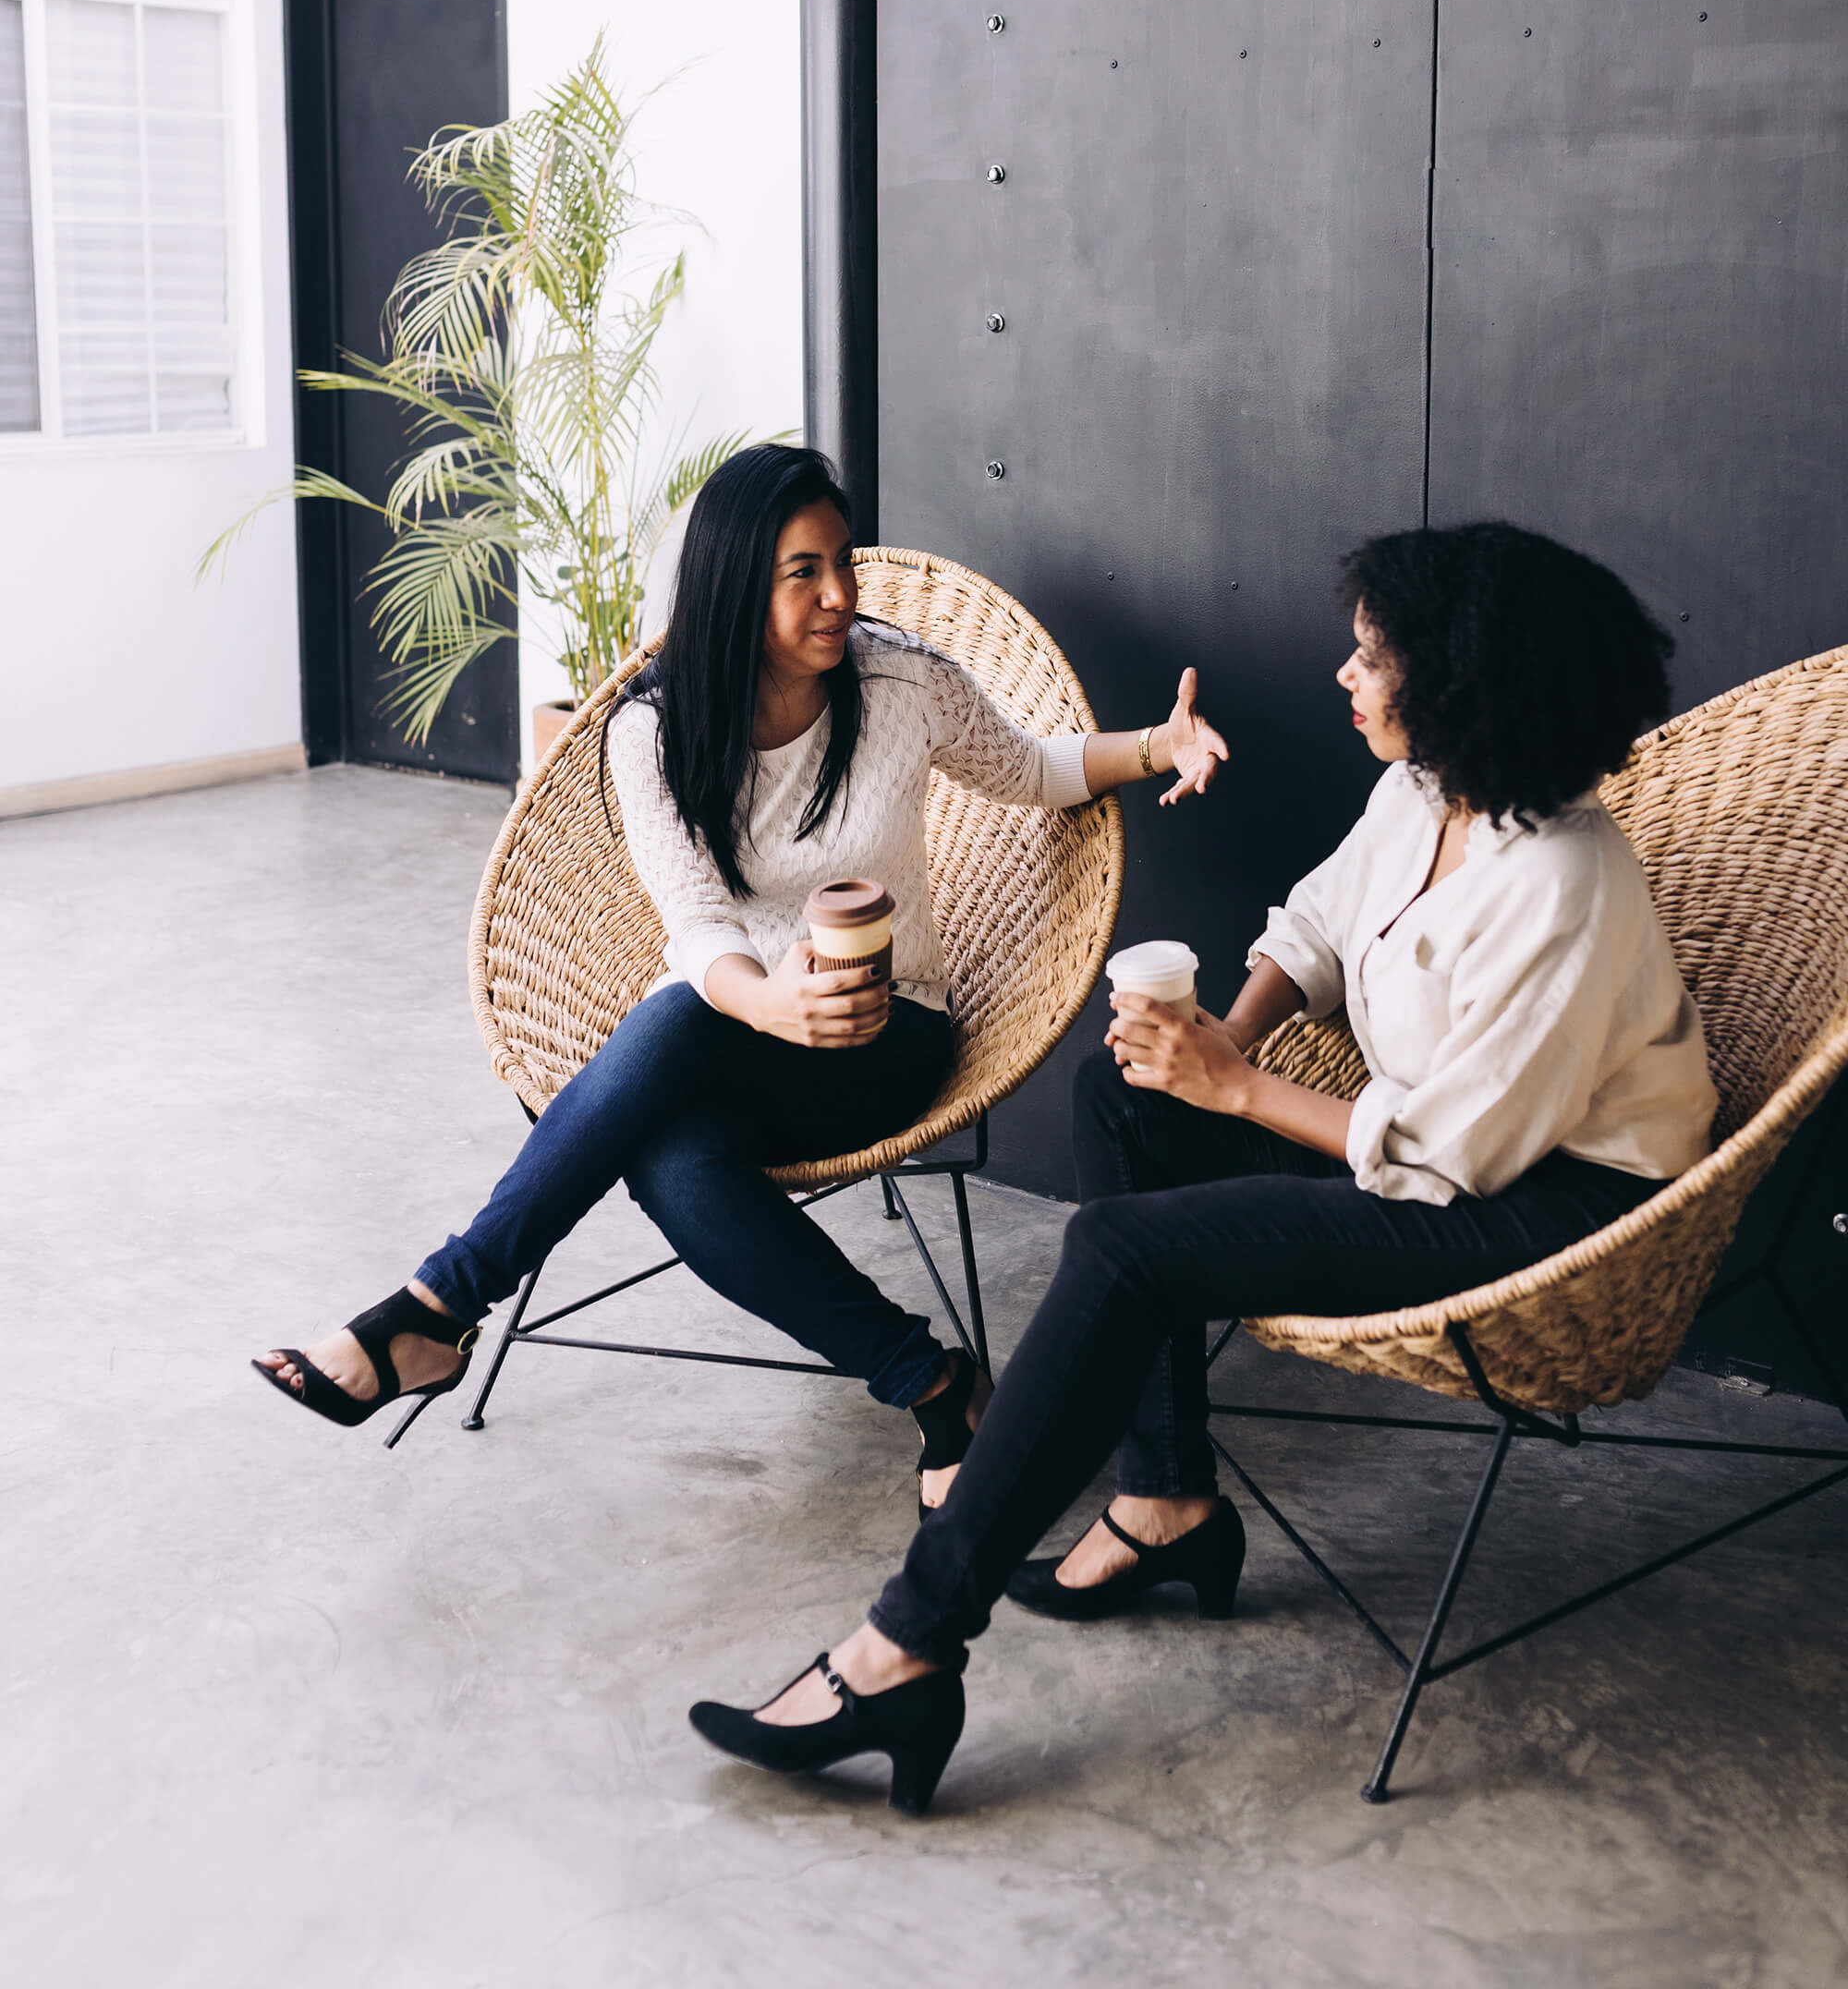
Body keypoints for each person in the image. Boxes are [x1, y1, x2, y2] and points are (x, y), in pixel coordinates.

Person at [687, 520, 1717, 1813]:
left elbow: (1451, 1157)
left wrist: (1231, 1086)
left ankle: (906, 1644)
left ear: (1459, 680)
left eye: (1370, 659)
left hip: (1543, 1212)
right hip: (1430, 1157)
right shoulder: (1419, 796)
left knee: (1125, 1249)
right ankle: (1168, 1500)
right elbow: (1318, 928)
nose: (1345, 679)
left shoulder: (1564, 882)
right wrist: (1216, 1046)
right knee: (1121, 1095)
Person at [254, 444, 1229, 1514]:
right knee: (676, 1160)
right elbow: (694, 923)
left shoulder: (898, 681)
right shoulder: (652, 730)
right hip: (740, 1026)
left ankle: (433, 1310)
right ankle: (937, 1386)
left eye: (840, 564)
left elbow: (1030, 768)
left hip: (885, 1030)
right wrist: (768, 1002)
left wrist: (1155, 745)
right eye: (800, 572)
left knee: (676, 1031)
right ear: (731, 582)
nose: (837, 595)